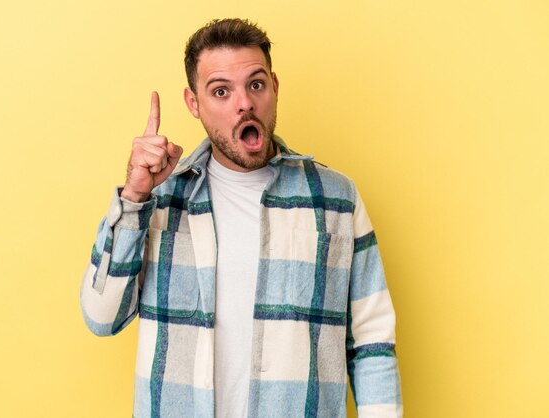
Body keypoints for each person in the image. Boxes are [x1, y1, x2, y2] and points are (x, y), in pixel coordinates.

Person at [80, 18, 402, 418]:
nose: (245, 103)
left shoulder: (336, 199)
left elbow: (372, 341)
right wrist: (134, 196)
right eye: (220, 91)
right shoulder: (159, 200)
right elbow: (101, 316)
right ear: (194, 103)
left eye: (256, 84)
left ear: (274, 88)